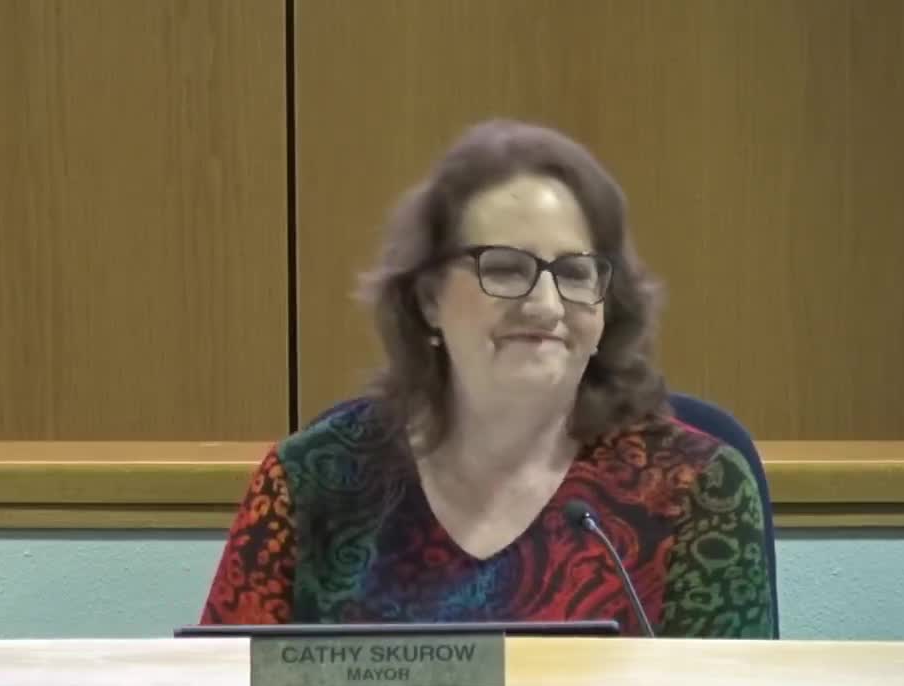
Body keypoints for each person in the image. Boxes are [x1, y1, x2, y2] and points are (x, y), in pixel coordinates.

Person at [199, 119, 774, 638]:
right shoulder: (309, 484)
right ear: (429, 298)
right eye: (504, 268)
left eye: (575, 273)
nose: (545, 305)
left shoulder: (698, 491)